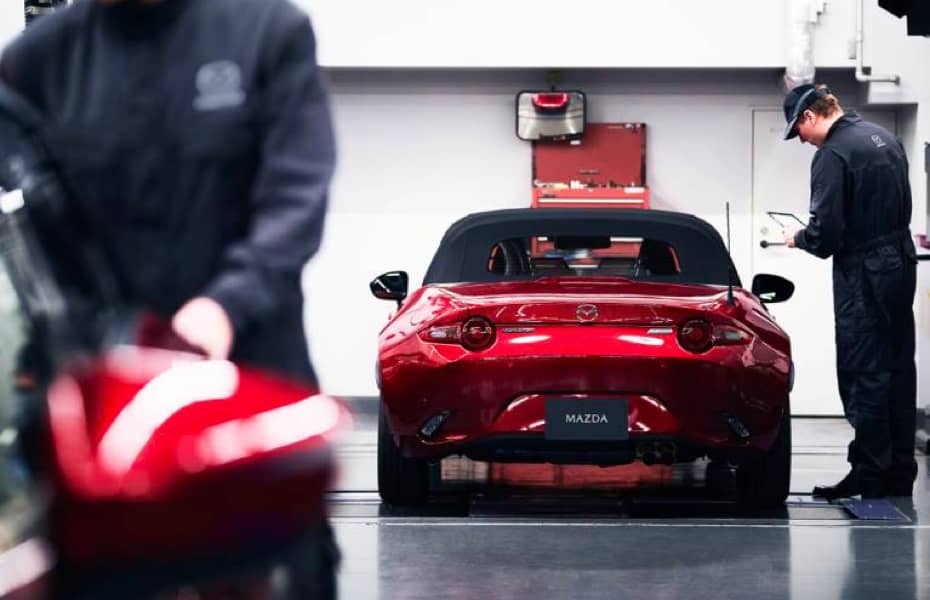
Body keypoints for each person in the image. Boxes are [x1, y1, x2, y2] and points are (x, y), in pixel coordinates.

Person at [0, 0, 338, 595]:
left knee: (274, 572)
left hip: (247, 376)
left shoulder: (268, 33)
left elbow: (295, 199)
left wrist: (226, 304)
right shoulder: (38, 60)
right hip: (100, 397)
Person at [781, 83, 917, 499]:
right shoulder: (885, 139)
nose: (801, 141)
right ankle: (896, 473)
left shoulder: (833, 155)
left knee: (864, 374)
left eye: (798, 131)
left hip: (864, 274)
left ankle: (871, 477)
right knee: (897, 370)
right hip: (899, 262)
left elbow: (827, 236)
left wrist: (797, 237)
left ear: (809, 117)